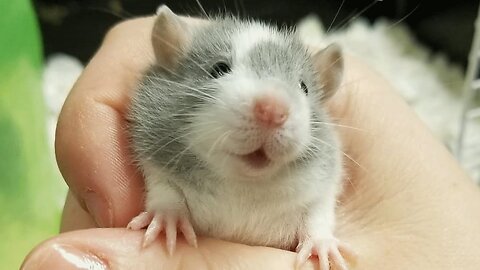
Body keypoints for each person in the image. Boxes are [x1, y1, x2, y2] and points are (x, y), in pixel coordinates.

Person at [21, 16, 480, 269]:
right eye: (221, 71)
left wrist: (319, 235)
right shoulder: (164, 132)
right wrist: (168, 202)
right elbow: (159, 169)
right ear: (168, 55)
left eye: (301, 87)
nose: (272, 108)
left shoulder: (319, 157)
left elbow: (322, 192)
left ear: (323, 88)